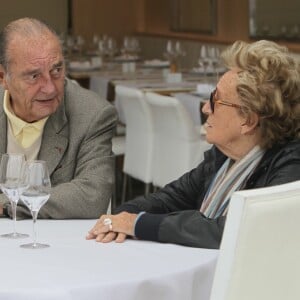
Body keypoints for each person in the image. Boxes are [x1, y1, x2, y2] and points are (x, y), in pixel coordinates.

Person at [87, 40, 300, 248]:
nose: (206, 108)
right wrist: (121, 216)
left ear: (248, 120)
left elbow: (233, 229)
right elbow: (172, 197)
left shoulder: (290, 166)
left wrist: (138, 224)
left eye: (215, 100)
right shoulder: (224, 158)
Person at [0, 18, 117, 219]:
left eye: (56, 70)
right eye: (34, 76)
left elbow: (92, 195)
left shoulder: (93, 114)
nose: (50, 88)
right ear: (3, 78)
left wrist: (6, 204)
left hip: (56, 242)